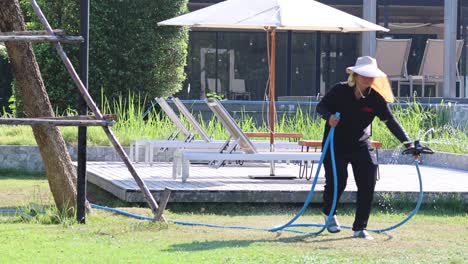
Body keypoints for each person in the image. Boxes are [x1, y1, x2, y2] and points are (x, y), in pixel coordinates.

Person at [316, 56, 413, 240]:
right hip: (335, 143)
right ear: (356, 74)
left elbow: (390, 121)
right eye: (364, 75)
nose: (368, 79)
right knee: (339, 180)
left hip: (360, 143)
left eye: (371, 76)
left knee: (368, 178)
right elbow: (321, 107)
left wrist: (408, 142)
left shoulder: (375, 99)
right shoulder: (340, 90)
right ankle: (330, 214)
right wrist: (329, 117)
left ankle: (360, 227)